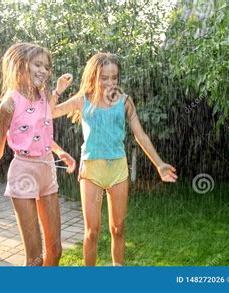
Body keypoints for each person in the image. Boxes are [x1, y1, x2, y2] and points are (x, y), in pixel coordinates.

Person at [52, 53, 177, 266]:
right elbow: (49, 112)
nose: (110, 83)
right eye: (104, 77)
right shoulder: (82, 100)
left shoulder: (125, 101)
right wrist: (57, 91)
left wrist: (159, 164)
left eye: (114, 78)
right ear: (93, 76)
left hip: (118, 169)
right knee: (92, 231)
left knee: (118, 228)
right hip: (91, 170)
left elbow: (140, 135)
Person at [0, 43, 75, 266]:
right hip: (23, 172)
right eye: (38, 64)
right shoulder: (9, 105)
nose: (44, 70)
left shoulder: (44, 96)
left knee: (56, 251)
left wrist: (61, 152)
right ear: (21, 66)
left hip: (47, 170)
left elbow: (40, 132)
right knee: (35, 259)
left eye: (47, 66)